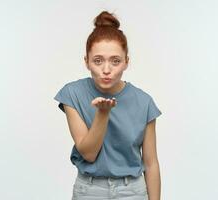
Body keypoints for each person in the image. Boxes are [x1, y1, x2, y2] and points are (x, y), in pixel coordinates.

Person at [54, 10, 162, 200]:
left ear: (126, 62)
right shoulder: (72, 94)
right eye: (98, 61)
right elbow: (88, 153)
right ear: (86, 61)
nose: (106, 70)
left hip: (132, 192)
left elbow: (151, 163)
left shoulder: (144, 102)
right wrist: (102, 114)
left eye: (115, 61)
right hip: (89, 190)